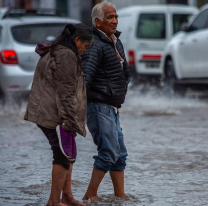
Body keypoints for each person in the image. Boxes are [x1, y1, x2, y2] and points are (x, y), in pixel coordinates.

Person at [24, 23, 93, 206]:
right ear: (77, 40)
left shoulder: (59, 50)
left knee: (69, 155)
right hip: (56, 115)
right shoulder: (66, 56)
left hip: (53, 112)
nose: (85, 50)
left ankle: (67, 197)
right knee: (62, 157)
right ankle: (54, 202)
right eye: (85, 46)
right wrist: (69, 122)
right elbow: (66, 93)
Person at [81, 1, 130, 201]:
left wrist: (121, 90)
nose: (115, 21)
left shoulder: (115, 41)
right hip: (98, 106)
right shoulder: (94, 44)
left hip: (112, 107)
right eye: (110, 17)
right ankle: (90, 194)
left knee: (120, 155)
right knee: (109, 152)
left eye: (116, 16)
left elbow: (125, 71)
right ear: (98, 22)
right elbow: (85, 76)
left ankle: (120, 196)